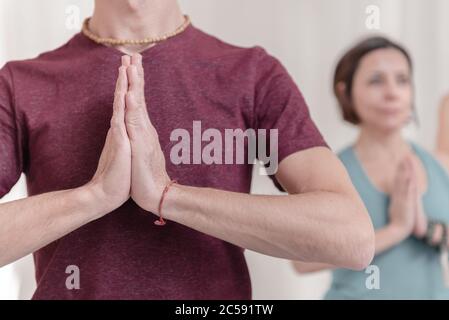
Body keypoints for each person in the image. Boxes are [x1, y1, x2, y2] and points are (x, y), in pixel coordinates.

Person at [0, 0, 374, 299]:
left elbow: (351, 237)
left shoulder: (252, 74)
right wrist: (95, 196)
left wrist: (167, 195)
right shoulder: (20, 82)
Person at [292, 36, 449, 299]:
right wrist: (396, 229)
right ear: (346, 92)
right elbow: (302, 262)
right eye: (376, 80)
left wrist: (425, 229)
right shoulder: (329, 171)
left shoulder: (439, 164)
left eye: (402, 80)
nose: (392, 92)